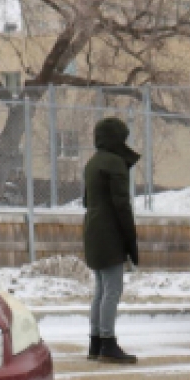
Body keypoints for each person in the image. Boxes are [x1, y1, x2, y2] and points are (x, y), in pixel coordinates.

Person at [80, 117, 140, 364]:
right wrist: (130, 239)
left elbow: (86, 201)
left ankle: (95, 343)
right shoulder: (115, 163)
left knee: (101, 290)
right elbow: (122, 206)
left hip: (92, 230)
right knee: (112, 290)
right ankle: (108, 344)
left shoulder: (92, 163)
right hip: (110, 233)